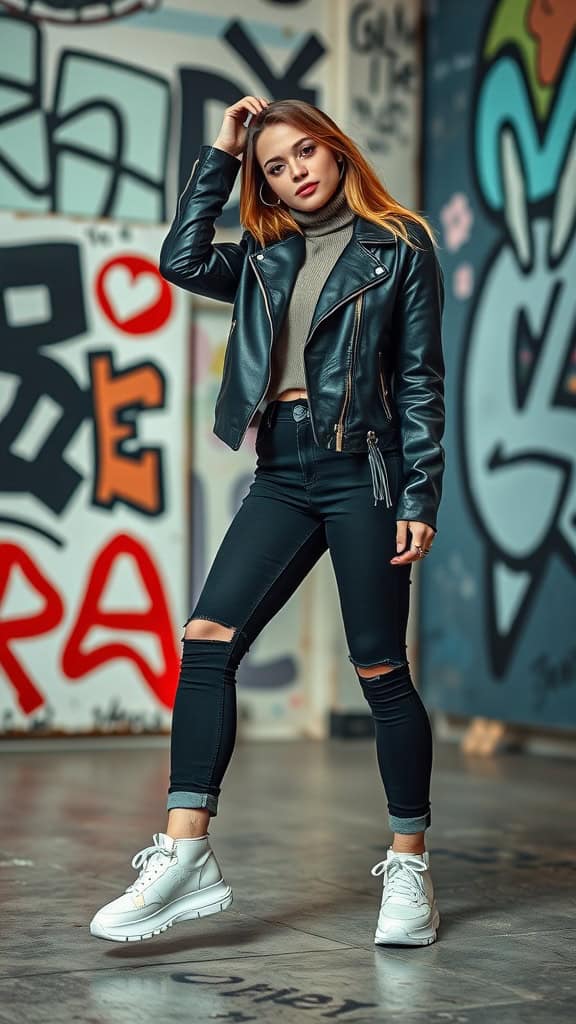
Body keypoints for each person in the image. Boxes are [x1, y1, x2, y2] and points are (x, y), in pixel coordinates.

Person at [90, 97, 445, 947]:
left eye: (305, 153)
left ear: (336, 147)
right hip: (282, 470)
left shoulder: (399, 246)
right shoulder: (263, 253)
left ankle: (410, 866)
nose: (296, 173)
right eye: (276, 167)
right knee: (207, 638)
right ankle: (185, 853)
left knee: (378, 668)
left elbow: (423, 378)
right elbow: (180, 259)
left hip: (364, 468)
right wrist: (222, 150)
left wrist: (420, 497)